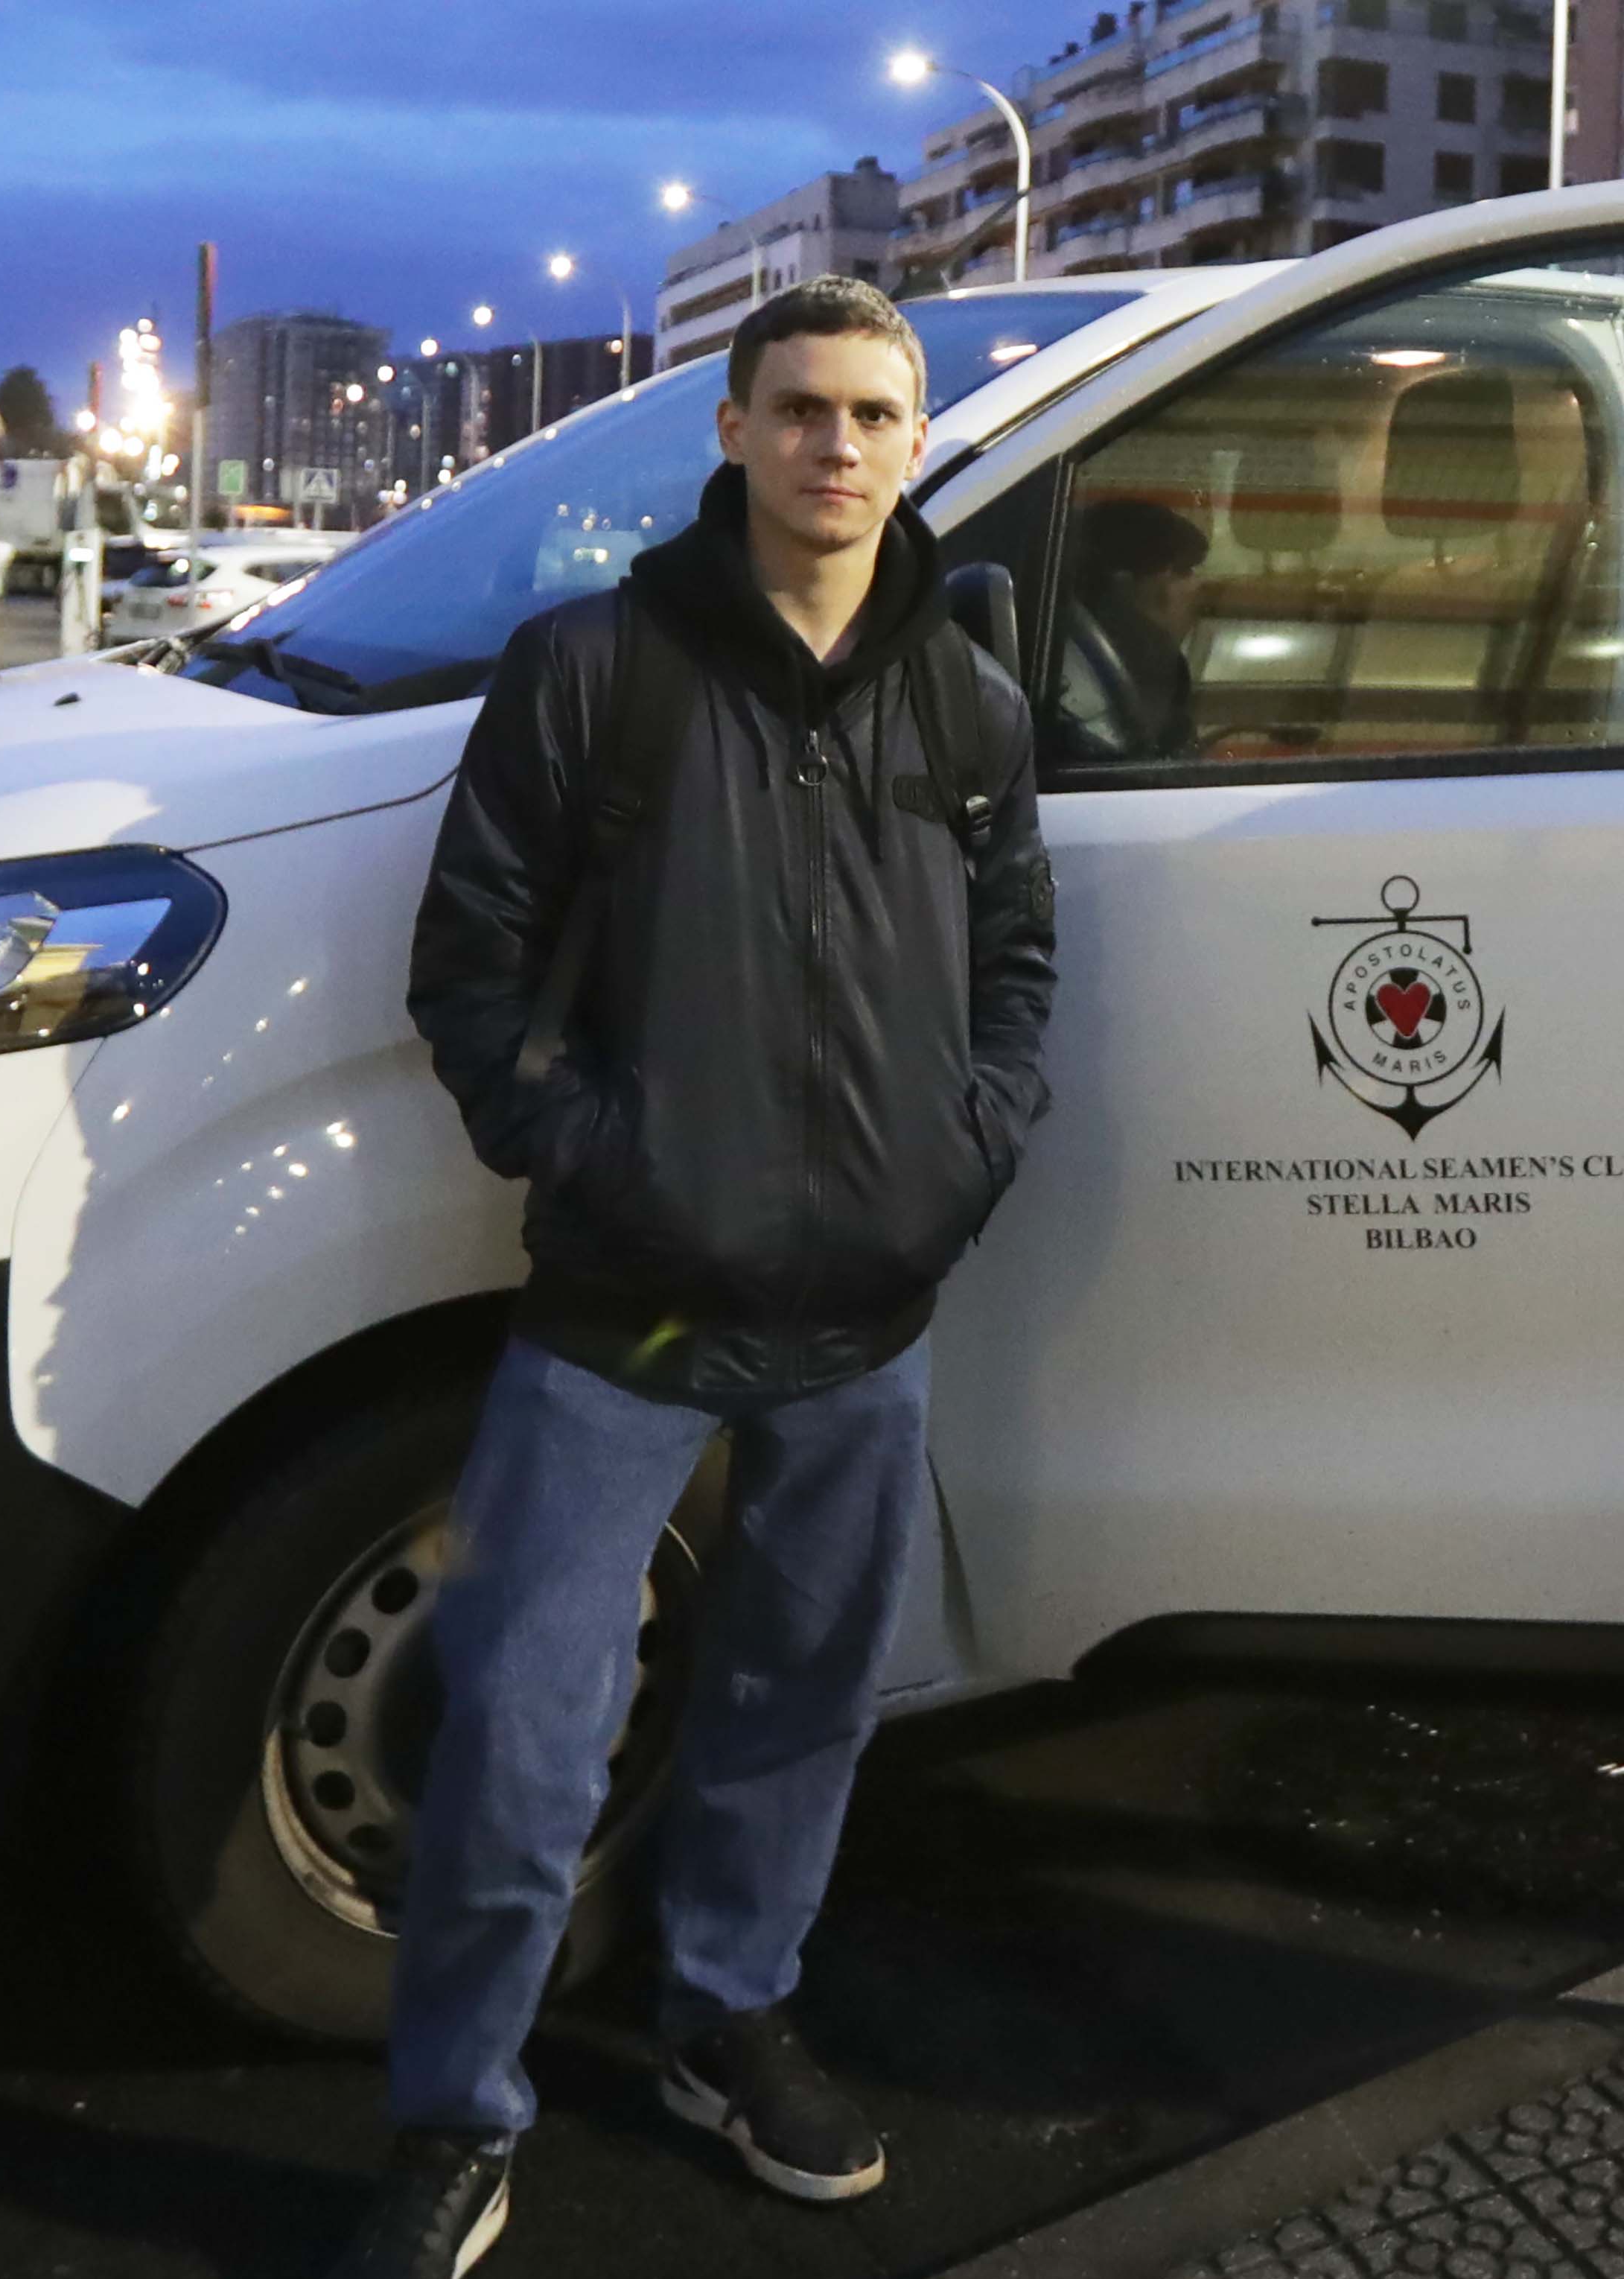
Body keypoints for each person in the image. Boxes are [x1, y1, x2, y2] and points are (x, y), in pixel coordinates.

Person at [339, 277, 1058, 2279]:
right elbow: (469, 968)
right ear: (733, 434)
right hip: (625, 1310)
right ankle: (454, 2118)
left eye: (875, 416)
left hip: (868, 1312)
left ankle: (724, 2017)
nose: (839, 447)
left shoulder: (970, 698)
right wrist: (607, 1165)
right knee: (520, 1724)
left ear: (918, 446)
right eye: (802, 410)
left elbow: (1017, 957)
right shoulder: (594, 670)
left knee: (797, 1702)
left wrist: (964, 1151)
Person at [1060, 495, 1206, 760]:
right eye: (1182, 571)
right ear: (1125, 585)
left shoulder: (1078, 650)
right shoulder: (1148, 664)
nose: (1196, 586)